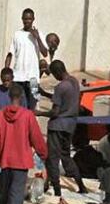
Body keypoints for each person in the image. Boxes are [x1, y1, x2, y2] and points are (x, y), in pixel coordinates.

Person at [0, 84, 48, 204]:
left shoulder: (1, 115)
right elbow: (36, 138)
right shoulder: (28, 116)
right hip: (21, 162)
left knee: (2, 191)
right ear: (21, 97)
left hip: (3, 161)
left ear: (9, 97)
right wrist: (43, 154)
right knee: (16, 193)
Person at [36, 60, 87, 196]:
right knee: (66, 156)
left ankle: (57, 190)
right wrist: (45, 94)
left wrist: (39, 113)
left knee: (52, 158)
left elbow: (55, 112)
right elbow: (63, 99)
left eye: (54, 74)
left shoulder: (60, 87)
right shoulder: (74, 83)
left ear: (57, 72)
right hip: (70, 126)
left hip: (57, 126)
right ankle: (81, 185)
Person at [5, 8, 48, 110]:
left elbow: (45, 53)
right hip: (18, 77)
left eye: (29, 19)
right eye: (25, 19)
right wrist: (6, 70)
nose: (27, 21)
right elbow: (10, 54)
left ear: (33, 19)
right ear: (22, 19)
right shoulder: (17, 34)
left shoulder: (38, 34)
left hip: (33, 78)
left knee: (32, 106)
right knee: (18, 106)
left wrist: (37, 38)